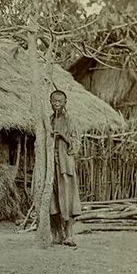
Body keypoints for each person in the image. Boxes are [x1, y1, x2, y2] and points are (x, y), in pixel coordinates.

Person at [50, 90, 81, 247]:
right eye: (54, 101)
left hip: (65, 166)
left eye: (59, 101)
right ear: (50, 102)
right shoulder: (48, 121)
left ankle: (69, 235)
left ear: (65, 103)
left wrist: (62, 136)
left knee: (68, 198)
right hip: (51, 166)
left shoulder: (70, 121)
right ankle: (57, 233)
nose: (57, 104)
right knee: (52, 200)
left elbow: (76, 145)